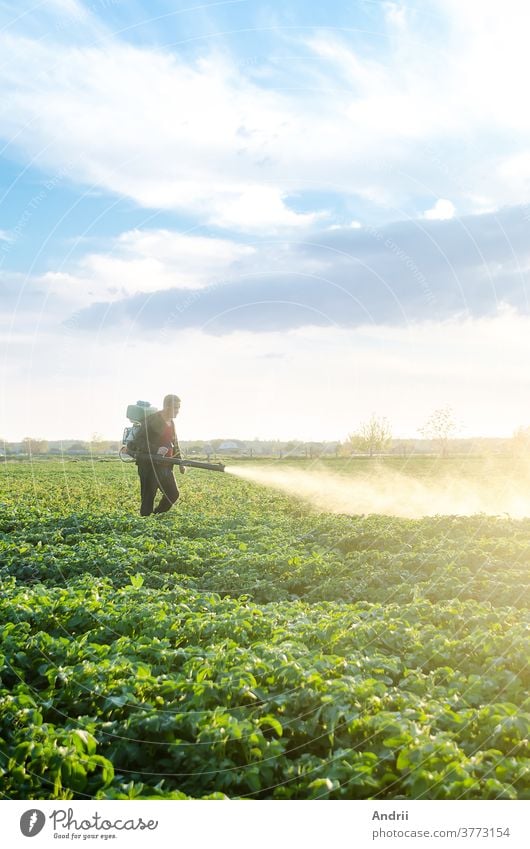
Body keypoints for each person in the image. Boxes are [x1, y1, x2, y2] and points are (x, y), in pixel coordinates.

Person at [133, 394, 186, 516]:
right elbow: (138, 441)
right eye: (176, 408)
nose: (178, 411)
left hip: (165, 466)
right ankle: (145, 525)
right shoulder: (152, 420)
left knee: (173, 494)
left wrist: (180, 463)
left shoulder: (171, 423)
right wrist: (155, 449)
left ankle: (156, 516)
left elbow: (175, 443)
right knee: (148, 499)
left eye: (179, 408)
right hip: (149, 467)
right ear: (167, 407)